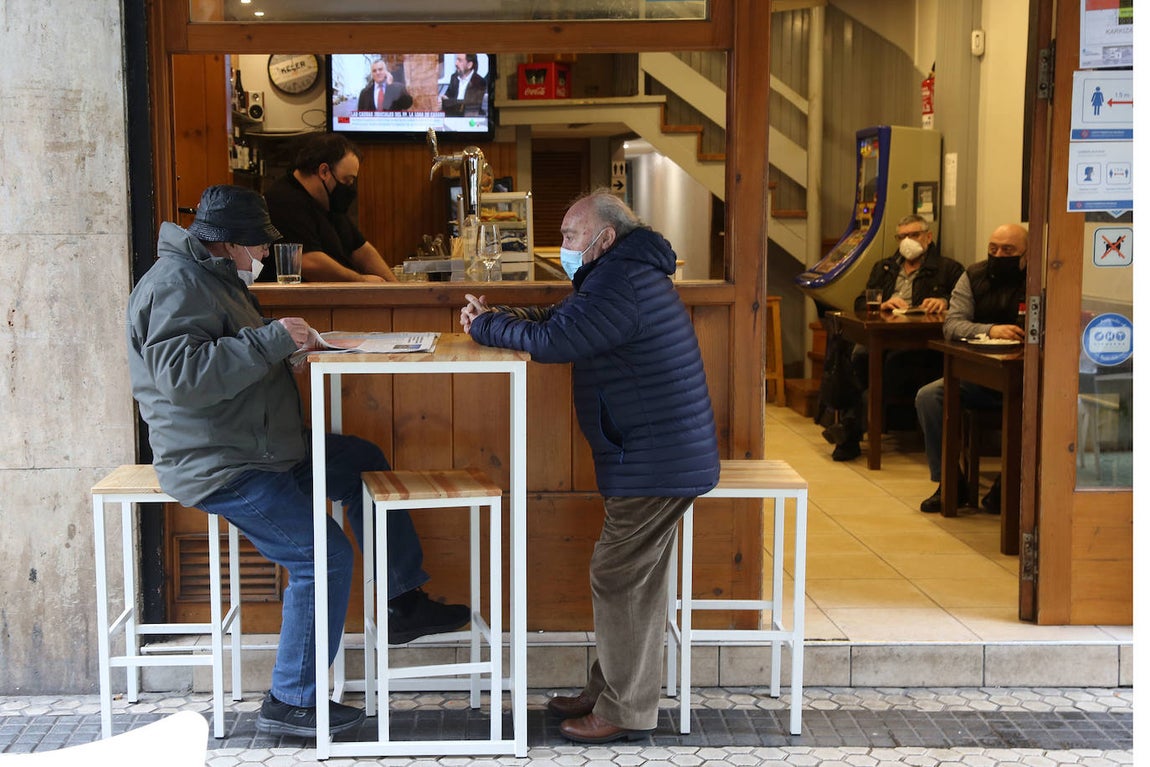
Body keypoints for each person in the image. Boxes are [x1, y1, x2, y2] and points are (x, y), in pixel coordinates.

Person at [126, 185, 469, 737]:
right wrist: (269, 343)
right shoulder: (176, 285)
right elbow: (183, 381)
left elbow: (224, 358)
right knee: (323, 556)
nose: (264, 256)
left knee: (361, 462)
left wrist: (283, 354)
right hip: (222, 463)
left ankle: (403, 600)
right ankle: (292, 699)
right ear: (227, 244)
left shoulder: (210, 278)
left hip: (259, 444)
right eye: (259, 247)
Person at [459, 190, 721, 744]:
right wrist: (500, 318)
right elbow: (562, 318)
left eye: (572, 237)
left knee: (619, 575)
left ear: (604, 238)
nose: (565, 247)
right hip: (655, 454)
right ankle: (611, 691)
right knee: (633, 580)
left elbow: (555, 339)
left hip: (654, 460)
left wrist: (485, 328)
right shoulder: (618, 274)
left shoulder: (620, 281)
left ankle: (624, 708)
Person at [824, 215, 964, 461]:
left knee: (883, 369)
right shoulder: (884, 268)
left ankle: (849, 431)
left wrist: (944, 302)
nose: (907, 241)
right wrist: (881, 304)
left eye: (914, 235)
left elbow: (964, 305)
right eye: (902, 237)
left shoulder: (948, 269)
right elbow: (860, 302)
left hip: (919, 346)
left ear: (928, 237)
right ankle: (850, 428)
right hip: (881, 336)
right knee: (855, 357)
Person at [915, 223, 1029, 513]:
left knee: (1039, 407)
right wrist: (991, 330)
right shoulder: (973, 275)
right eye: (993, 249)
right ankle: (951, 482)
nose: (999, 255)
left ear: (1027, 254)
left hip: (1027, 379)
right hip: (980, 376)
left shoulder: (1040, 276)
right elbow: (952, 325)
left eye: (1008, 250)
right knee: (929, 396)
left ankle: (1011, 483)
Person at [263, 133, 398, 283]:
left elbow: (362, 250)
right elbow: (308, 262)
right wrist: (360, 281)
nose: (349, 187)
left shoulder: (328, 202)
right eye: (346, 180)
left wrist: (395, 288)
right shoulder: (284, 201)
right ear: (324, 171)